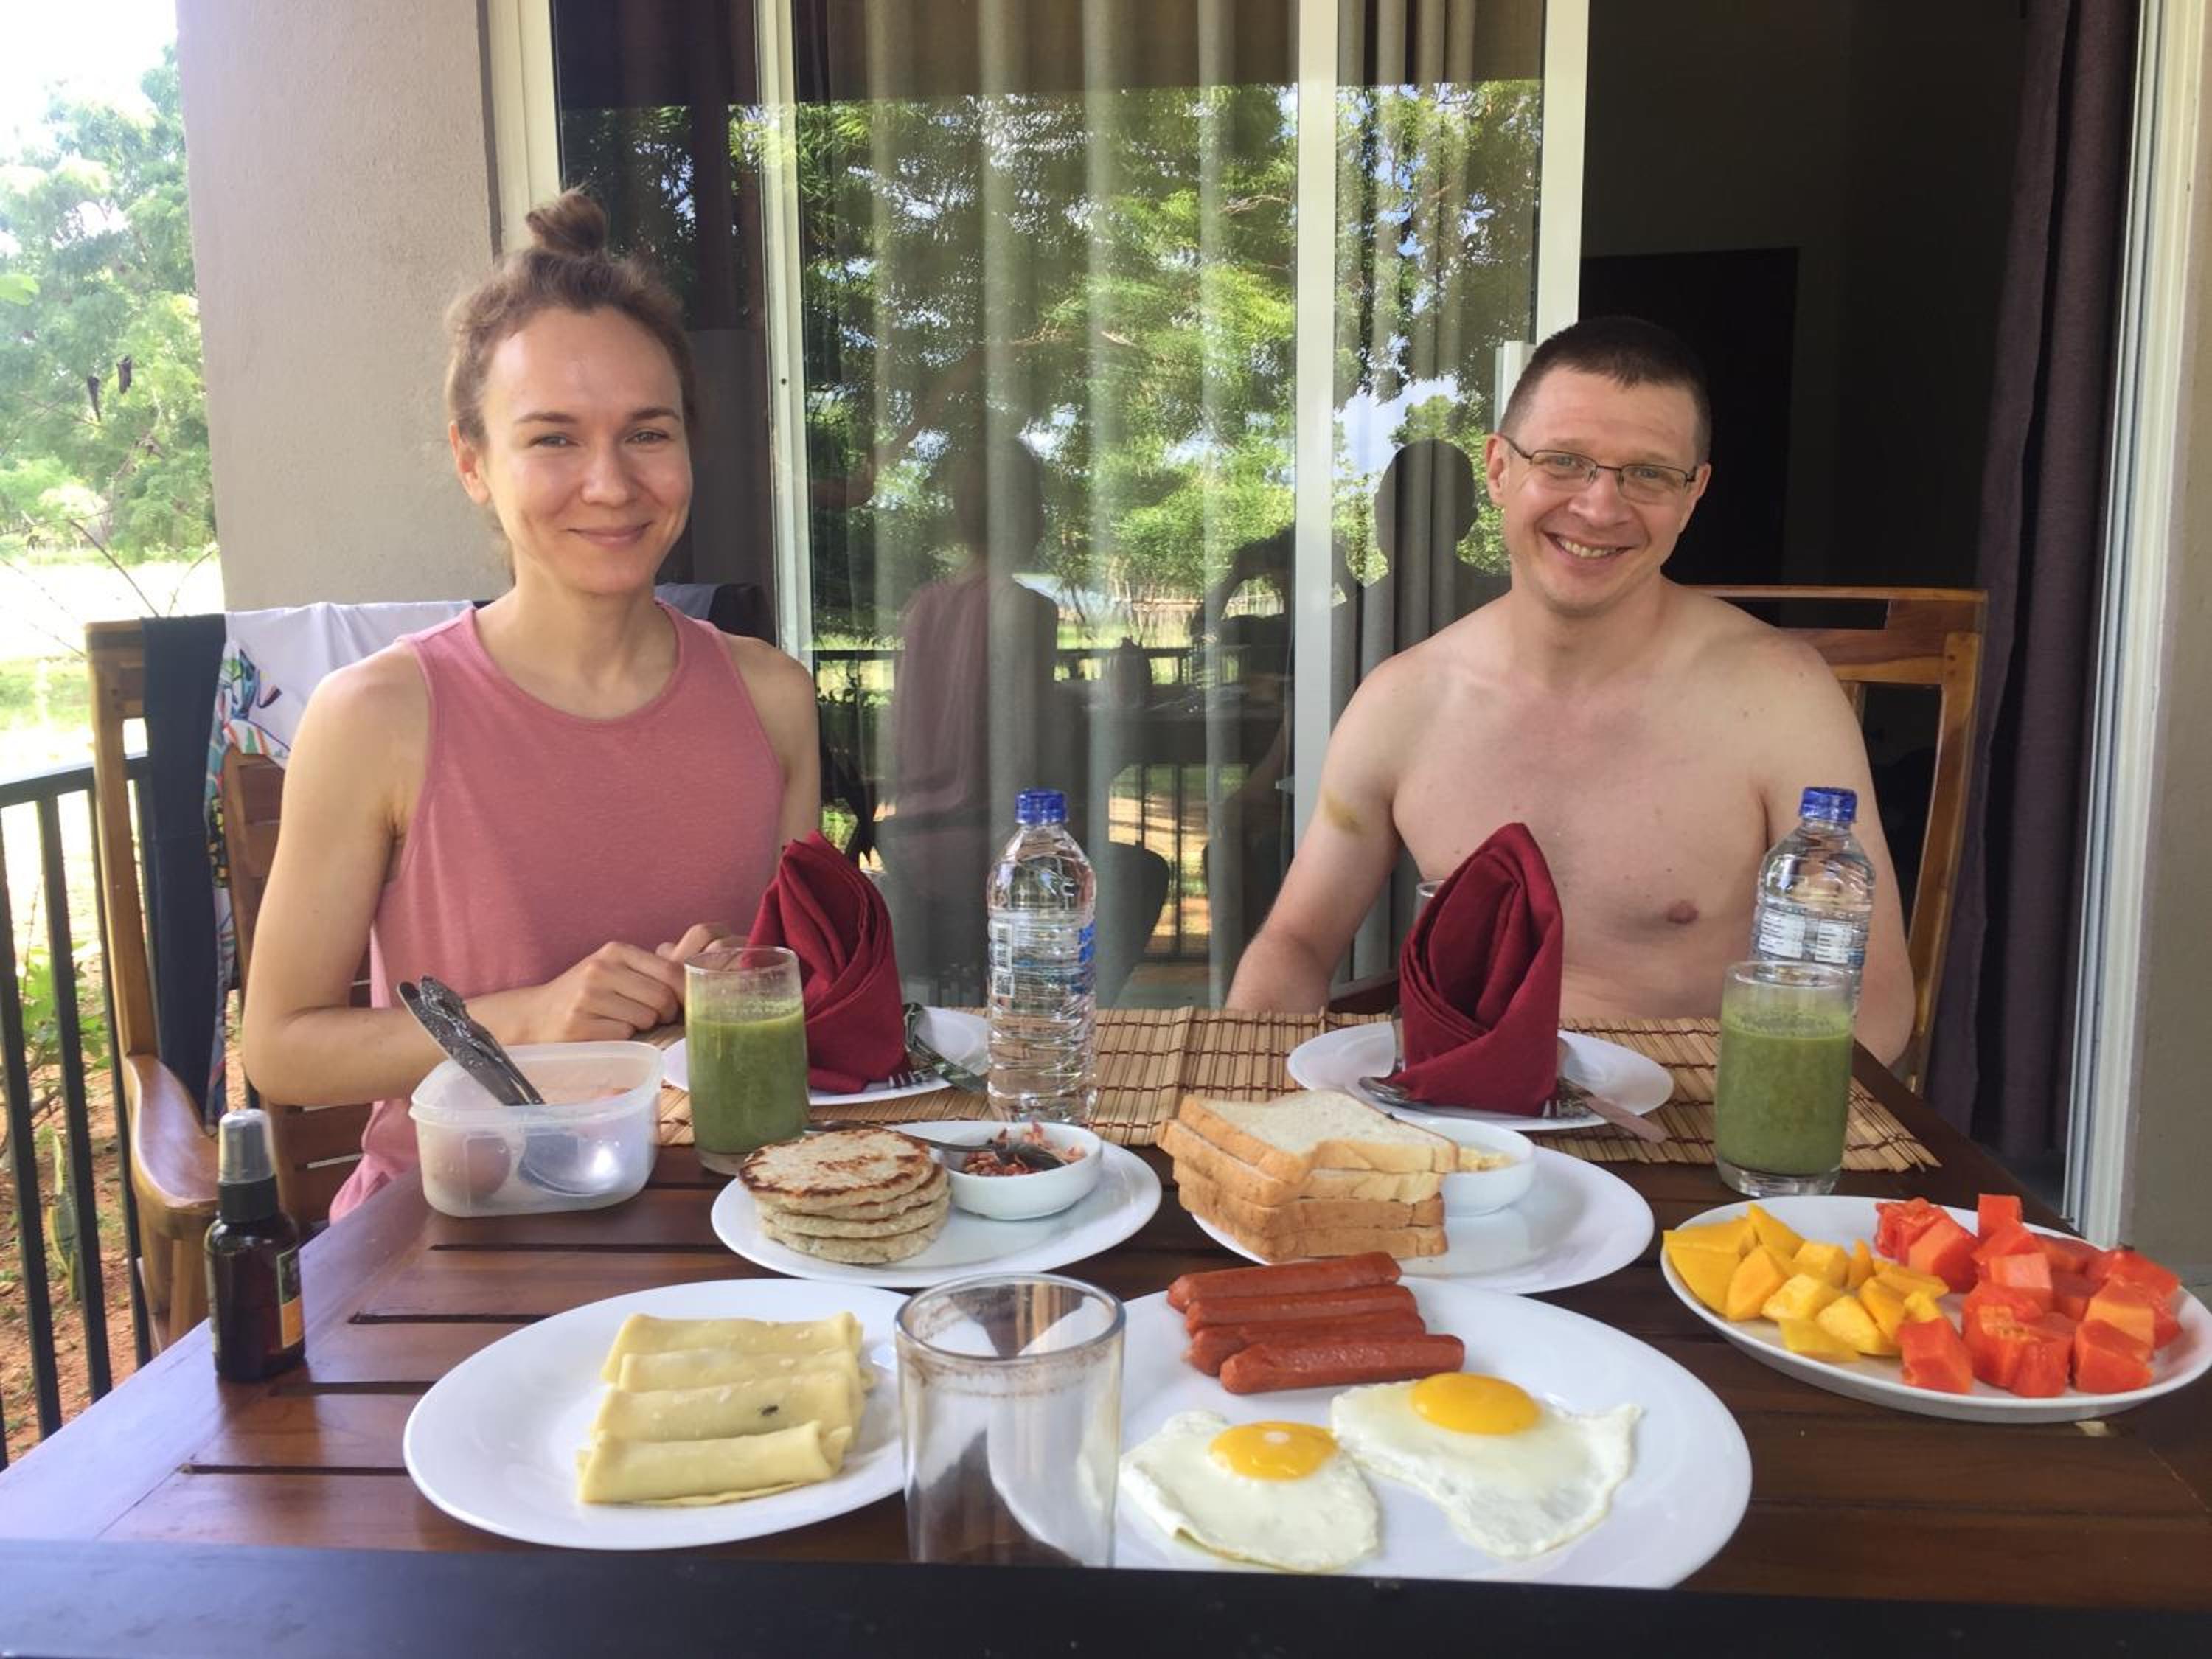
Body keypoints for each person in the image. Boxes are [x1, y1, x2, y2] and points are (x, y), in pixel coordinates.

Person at [242, 192, 821, 1218]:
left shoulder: (772, 697)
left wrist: (742, 980)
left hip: (726, 1215)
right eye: (553, 439)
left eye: (648, 433)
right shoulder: (377, 714)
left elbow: (806, 977)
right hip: (455, 1230)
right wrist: (532, 1017)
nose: (611, 483)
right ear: (473, 463)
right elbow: (282, 1047)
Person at [1225, 316, 1913, 1063]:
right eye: (1562, 462)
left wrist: (1752, 1114)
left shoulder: (1780, 698)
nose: (1600, 507)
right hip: (1452, 1113)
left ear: (1693, 496)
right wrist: (1248, 1082)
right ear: (1499, 470)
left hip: (1688, 1112)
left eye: (1649, 474)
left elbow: (1874, 1001)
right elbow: (1296, 942)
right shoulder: (1405, 701)